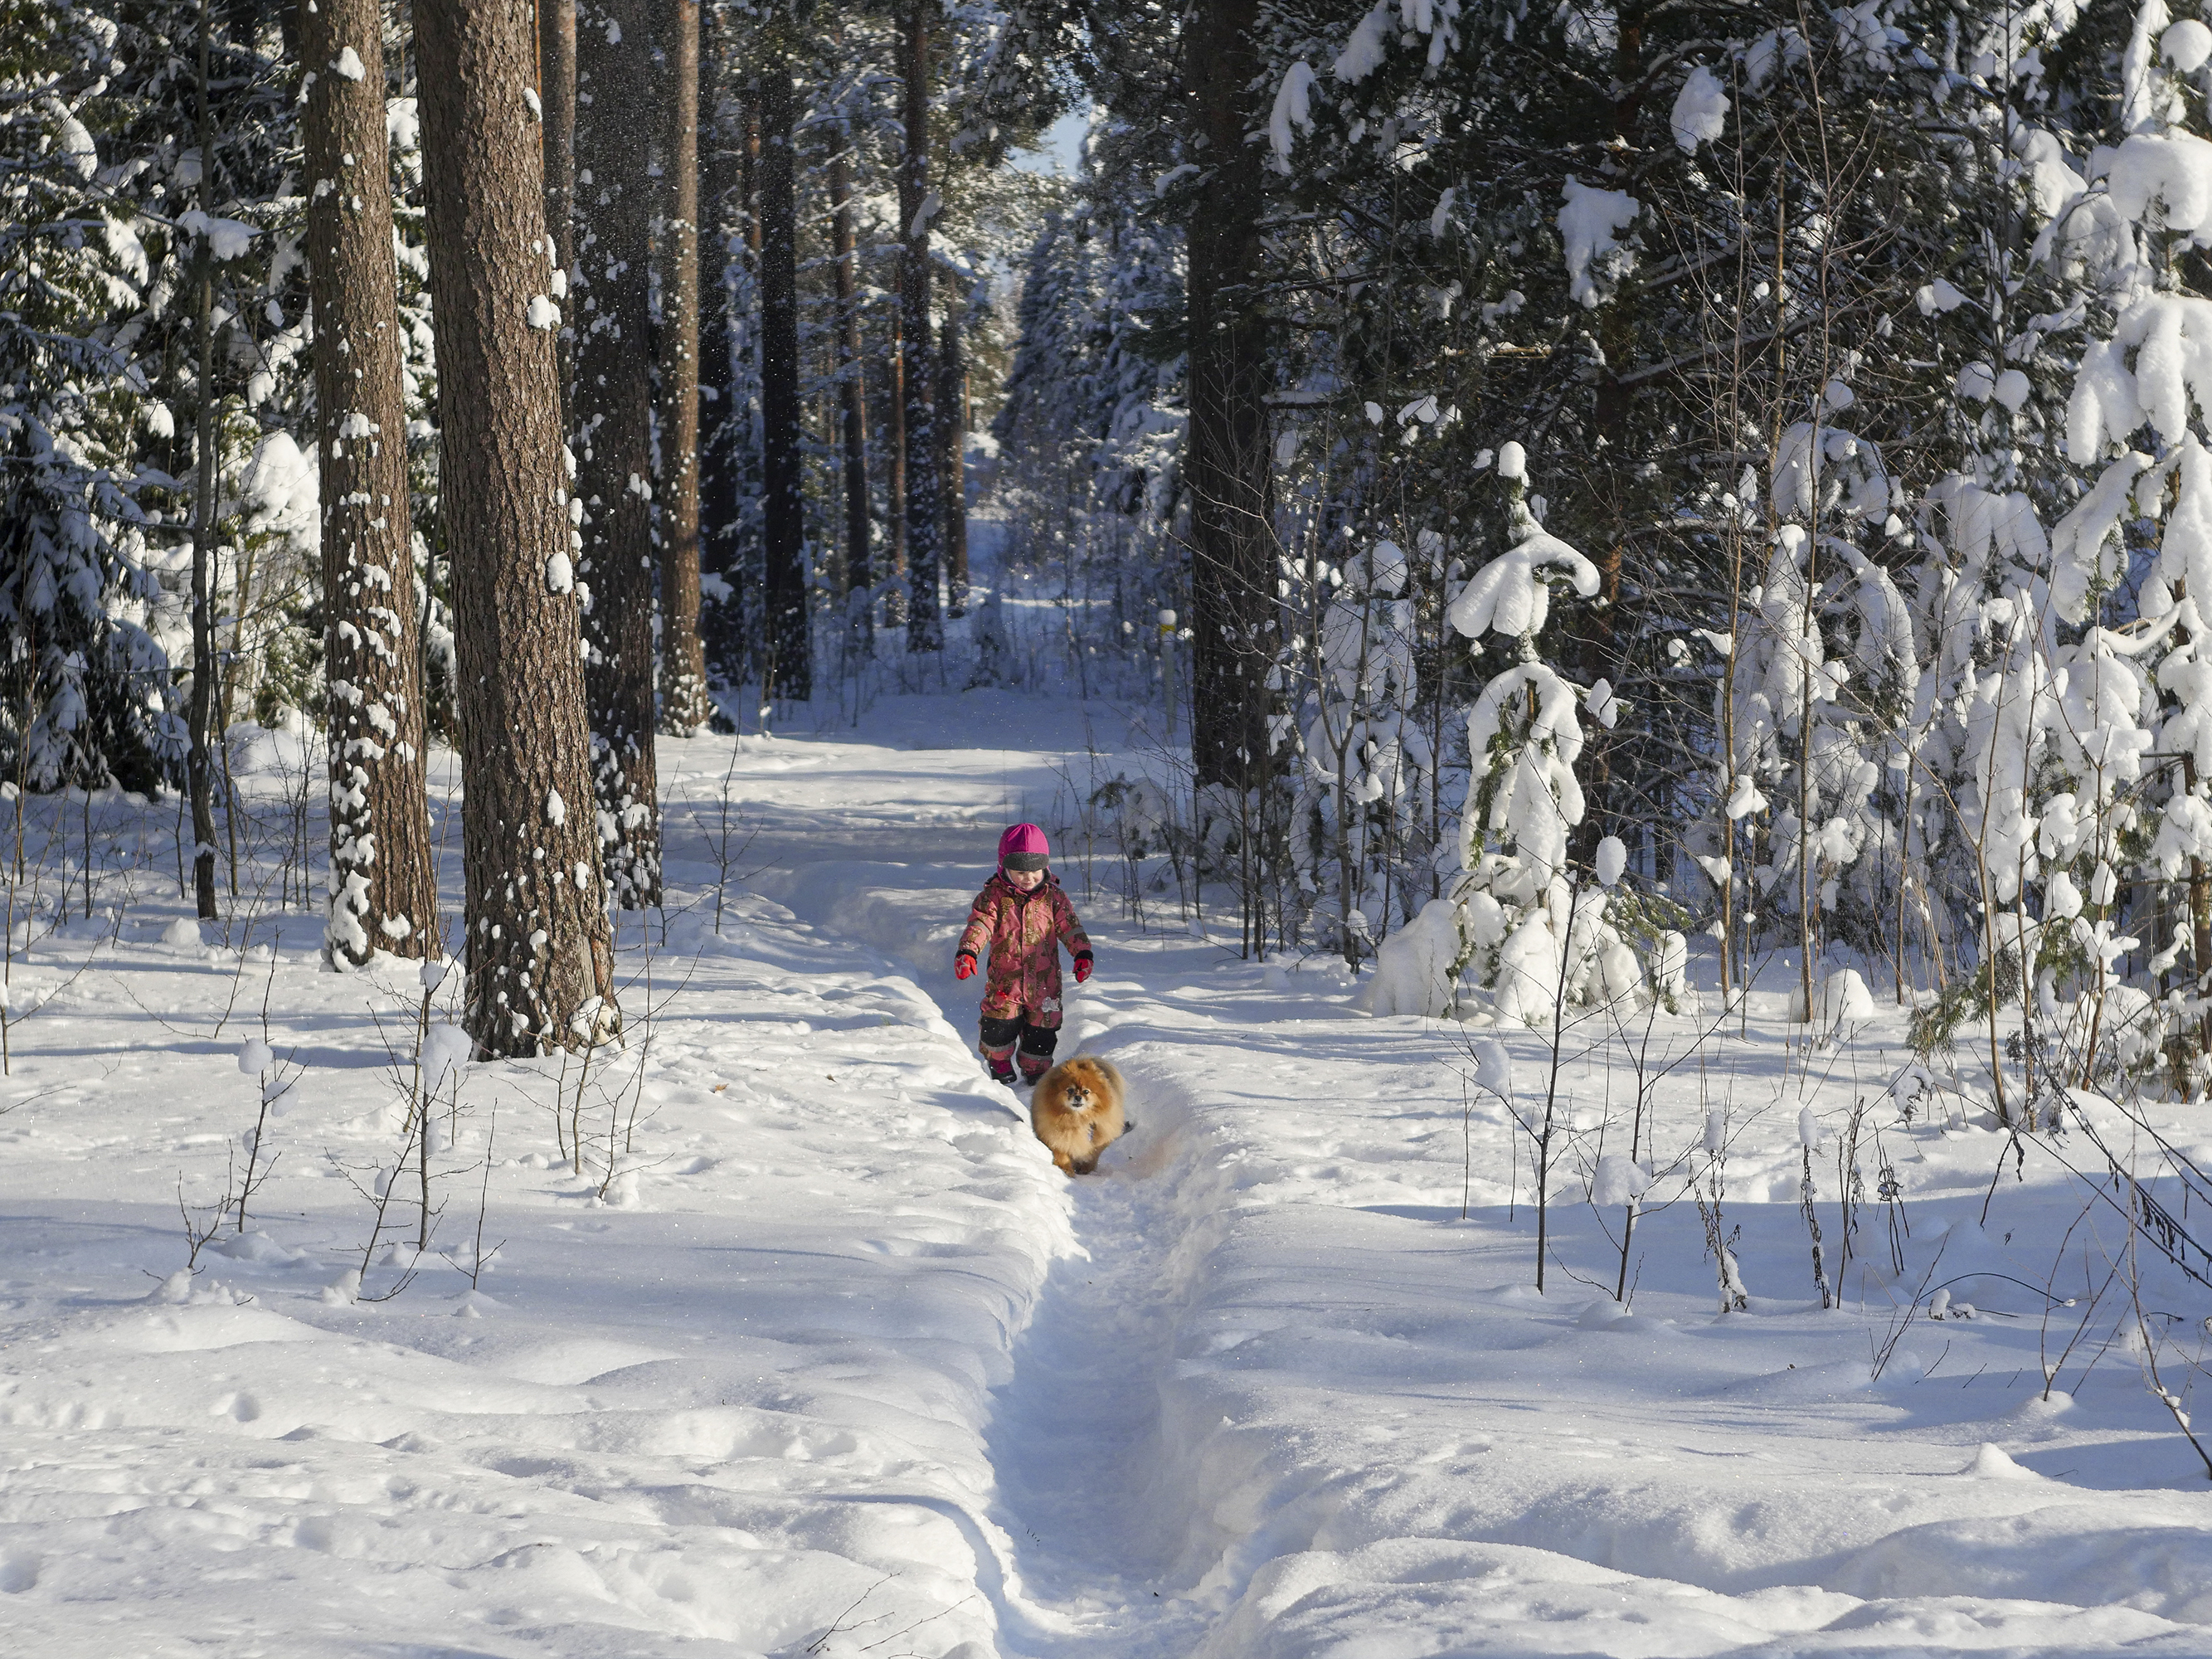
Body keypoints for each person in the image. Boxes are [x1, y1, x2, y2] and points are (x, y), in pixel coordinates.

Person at [955, 824, 1092, 1087]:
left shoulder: (1054, 898)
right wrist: (968, 951)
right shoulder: (993, 897)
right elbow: (980, 925)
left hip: (1045, 982)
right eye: (1020, 872)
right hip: (1006, 981)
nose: (1028, 878)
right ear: (1004, 867)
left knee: (1042, 1030)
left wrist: (1082, 952)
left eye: (1035, 871)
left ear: (1045, 868)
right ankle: (999, 1062)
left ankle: (1036, 1069)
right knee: (998, 1026)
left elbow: (1070, 927)